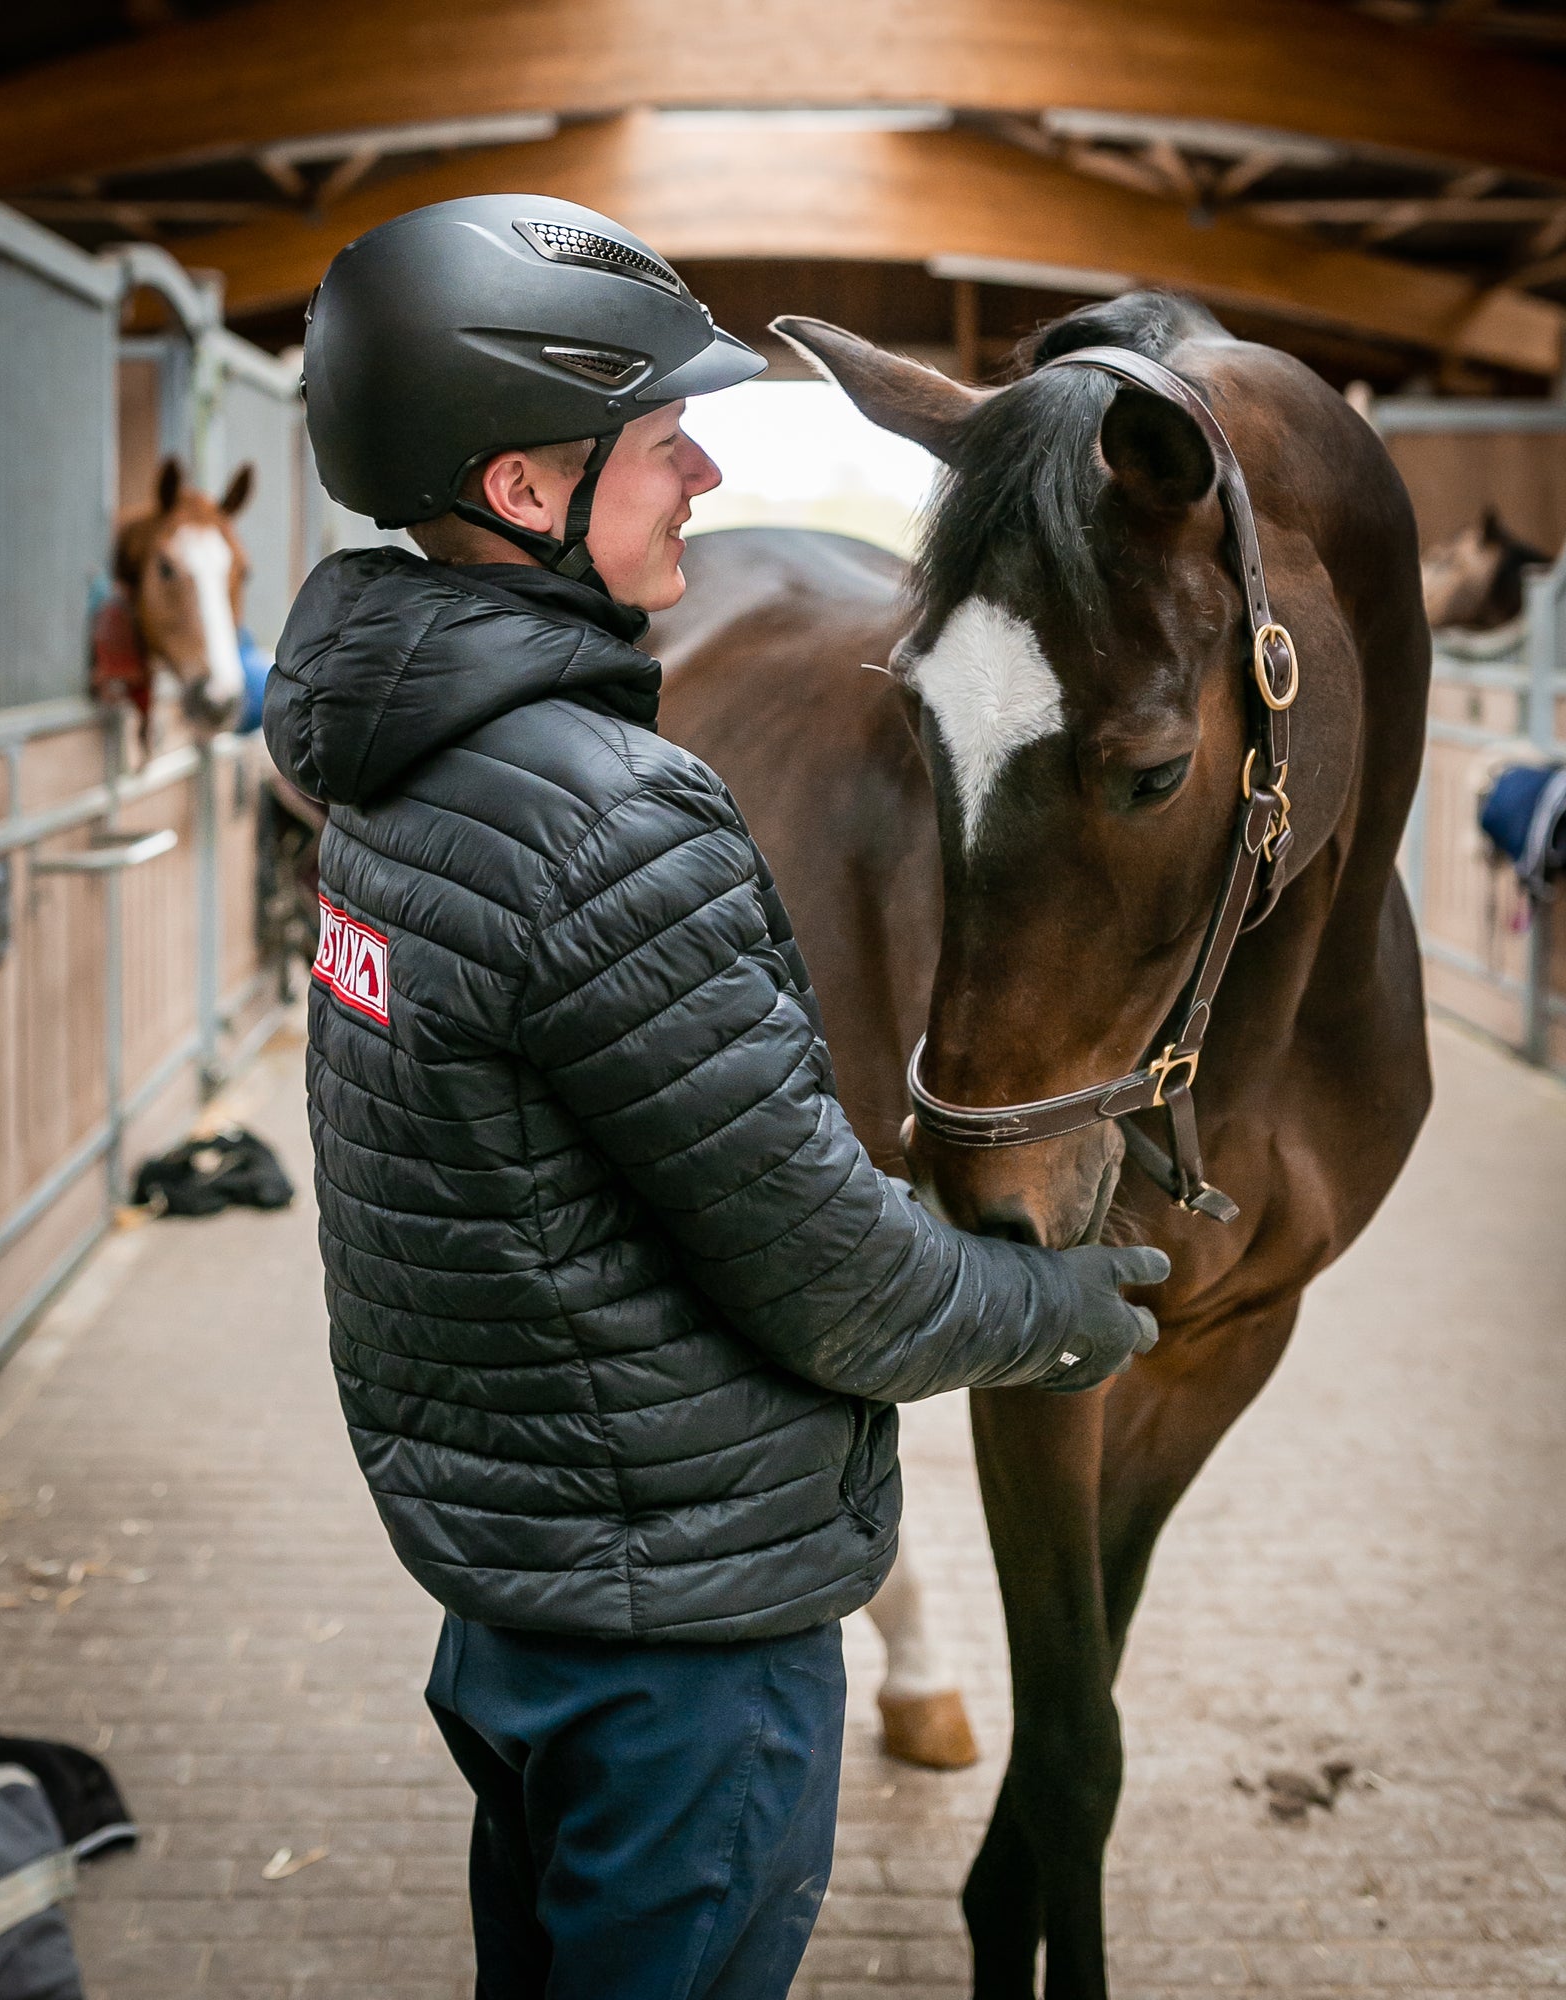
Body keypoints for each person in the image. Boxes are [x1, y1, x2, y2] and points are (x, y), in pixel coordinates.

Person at [264, 194, 1167, 2000]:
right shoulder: (614, 818)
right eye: (660, 435)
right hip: (686, 1640)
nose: (699, 472)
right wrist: (1062, 1314)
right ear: (524, 490)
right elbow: (839, 1277)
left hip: (517, 1588)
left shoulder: (386, 775)